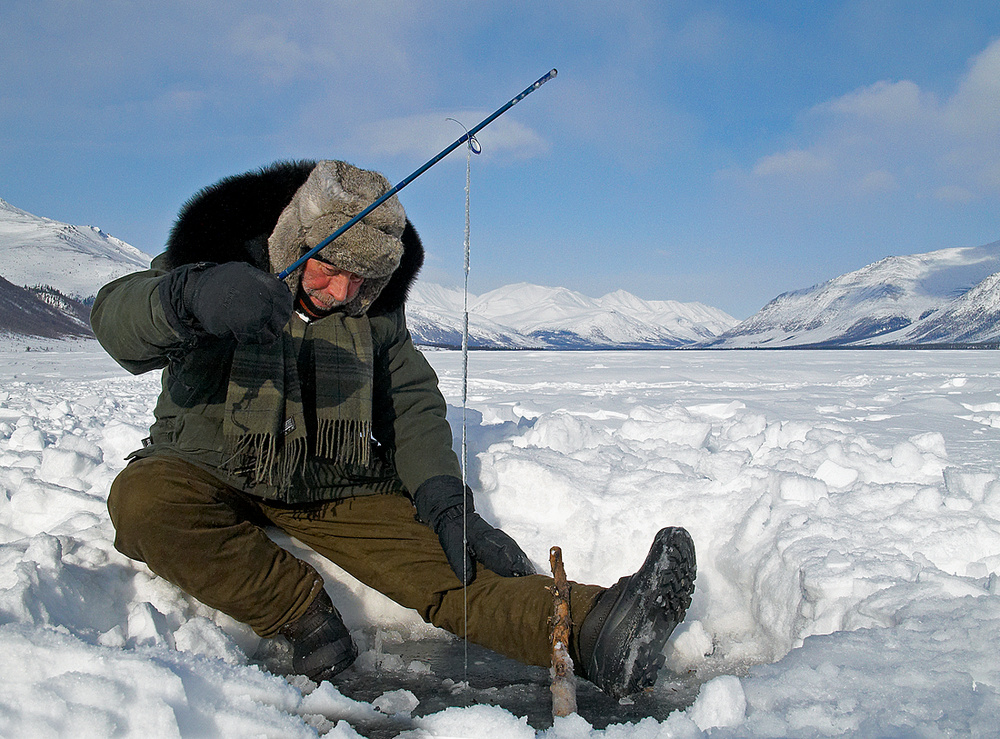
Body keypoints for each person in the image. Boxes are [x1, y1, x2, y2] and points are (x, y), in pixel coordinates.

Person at [90, 159, 696, 699]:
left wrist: (441, 497)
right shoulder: (206, 264)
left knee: (449, 571)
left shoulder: (374, 310)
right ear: (295, 239)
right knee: (144, 504)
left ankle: (597, 632)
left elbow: (409, 399)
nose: (344, 292)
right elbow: (116, 322)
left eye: (364, 278)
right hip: (206, 464)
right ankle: (301, 616)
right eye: (330, 269)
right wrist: (189, 298)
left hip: (332, 479)